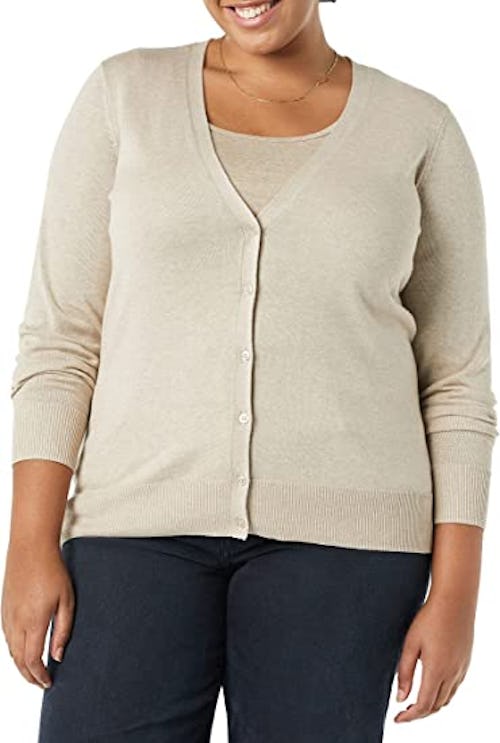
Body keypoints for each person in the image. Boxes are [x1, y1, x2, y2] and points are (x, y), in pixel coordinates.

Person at [2, 1, 497, 741]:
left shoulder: (419, 129)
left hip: (350, 548)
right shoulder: (123, 97)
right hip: (130, 527)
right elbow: (62, 340)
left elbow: (457, 381)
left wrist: (457, 592)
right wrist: (28, 542)